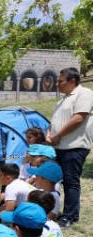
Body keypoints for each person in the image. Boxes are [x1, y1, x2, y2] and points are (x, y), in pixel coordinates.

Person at [46, 67, 93, 228]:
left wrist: (58, 136)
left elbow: (79, 118)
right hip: (58, 146)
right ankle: (51, 210)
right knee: (52, 179)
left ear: (72, 81)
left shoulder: (84, 94)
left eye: (61, 81)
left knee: (70, 181)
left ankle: (69, 216)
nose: (57, 84)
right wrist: (49, 134)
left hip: (74, 146)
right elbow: (54, 122)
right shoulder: (63, 100)